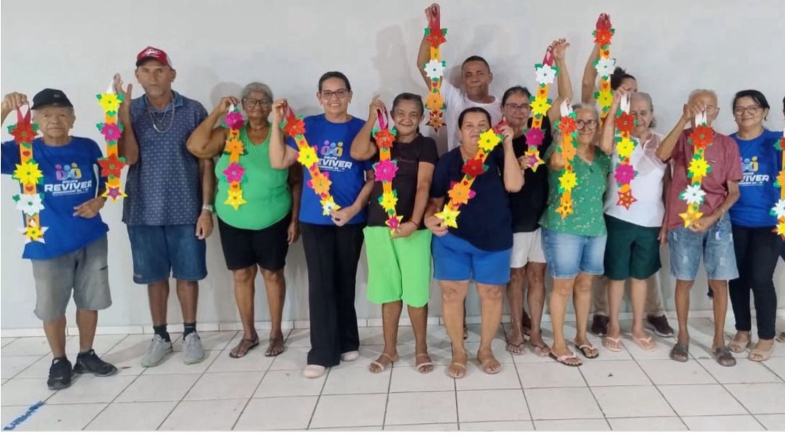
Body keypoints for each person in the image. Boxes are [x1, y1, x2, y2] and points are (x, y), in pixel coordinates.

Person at [1, 90, 117, 389]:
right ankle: (59, 360)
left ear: (73, 118)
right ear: (36, 120)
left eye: (62, 113)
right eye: (47, 115)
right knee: (52, 307)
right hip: (47, 244)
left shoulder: (88, 147)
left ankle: (86, 354)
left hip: (90, 238)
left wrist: (100, 201)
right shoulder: (24, 150)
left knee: (89, 301)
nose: (55, 120)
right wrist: (3, 110)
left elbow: (109, 179)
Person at [269, 71, 374, 379]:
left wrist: (354, 208)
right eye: (327, 93)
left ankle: (346, 341)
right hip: (315, 219)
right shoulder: (307, 127)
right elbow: (278, 161)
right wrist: (276, 122)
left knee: (345, 280)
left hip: (351, 218)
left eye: (340, 92)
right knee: (321, 285)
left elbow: (372, 178)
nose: (334, 98)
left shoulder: (360, 128)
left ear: (350, 95)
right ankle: (321, 352)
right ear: (319, 97)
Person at [186, 82, 302, 358]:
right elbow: (197, 146)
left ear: (272, 106)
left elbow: (297, 181)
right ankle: (249, 334)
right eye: (250, 102)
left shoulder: (283, 135)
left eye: (264, 102)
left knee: (272, 275)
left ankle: (276, 333)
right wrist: (218, 111)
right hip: (232, 219)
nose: (257, 107)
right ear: (243, 105)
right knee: (241, 275)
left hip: (274, 218)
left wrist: (295, 220)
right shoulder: (229, 134)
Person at [115, 47, 215, 367]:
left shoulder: (194, 109)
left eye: (160, 69)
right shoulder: (129, 111)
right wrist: (123, 117)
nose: (153, 76)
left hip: (187, 209)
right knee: (154, 277)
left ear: (172, 73)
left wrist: (206, 208)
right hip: (143, 209)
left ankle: (190, 334)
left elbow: (205, 164)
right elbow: (128, 158)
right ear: (137, 76)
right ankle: (160, 336)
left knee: (188, 276)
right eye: (145, 70)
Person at [581, 19, 674, 338]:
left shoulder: (658, 138)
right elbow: (588, 83)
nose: (631, 101)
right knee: (608, 268)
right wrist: (600, 43)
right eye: (625, 94)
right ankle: (603, 316)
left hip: (649, 216)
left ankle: (652, 314)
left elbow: (667, 180)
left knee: (645, 270)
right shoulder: (605, 127)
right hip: (611, 211)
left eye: (636, 95)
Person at [425, 107, 523, 378]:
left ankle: (485, 349)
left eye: (482, 124)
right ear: (459, 131)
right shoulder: (447, 161)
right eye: (469, 125)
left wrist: (508, 145)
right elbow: (435, 202)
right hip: (451, 240)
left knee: (491, 295)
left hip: (494, 239)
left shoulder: (501, 156)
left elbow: (514, 185)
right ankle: (459, 351)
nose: (476, 130)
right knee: (452, 295)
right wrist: (429, 219)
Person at [351, 93, 439, 373]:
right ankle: (390, 350)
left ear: (422, 117)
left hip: (413, 228)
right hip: (379, 226)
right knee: (389, 292)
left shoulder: (426, 145)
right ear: (391, 114)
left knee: (415, 292)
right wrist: (370, 118)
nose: (407, 119)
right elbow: (356, 153)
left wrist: (414, 222)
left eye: (414, 114)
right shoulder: (381, 140)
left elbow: (424, 185)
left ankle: (421, 349)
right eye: (400, 113)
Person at [539, 39, 613, 367]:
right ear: (569, 125)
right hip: (563, 229)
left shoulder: (602, 157)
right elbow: (565, 101)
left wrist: (601, 50)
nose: (585, 127)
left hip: (596, 229)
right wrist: (560, 62)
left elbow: (607, 123)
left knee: (585, 285)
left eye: (591, 123)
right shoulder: (559, 154)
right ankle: (557, 342)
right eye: (578, 122)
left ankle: (581, 335)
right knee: (563, 286)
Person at [655, 89, 742, 367]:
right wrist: (683, 120)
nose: (703, 110)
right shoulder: (681, 140)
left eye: (709, 107)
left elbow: (733, 192)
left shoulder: (727, 145)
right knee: (684, 279)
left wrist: (712, 217)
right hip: (684, 220)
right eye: (697, 106)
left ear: (717, 113)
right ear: (687, 108)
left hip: (717, 221)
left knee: (719, 281)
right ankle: (683, 336)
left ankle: (719, 341)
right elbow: (661, 154)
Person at [598, 90, 670, 353]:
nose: (638, 118)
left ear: (652, 114)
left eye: (643, 112)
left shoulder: (663, 141)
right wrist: (615, 105)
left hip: (651, 221)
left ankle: (638, 326)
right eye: (632, 113)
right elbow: (603, 148)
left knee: (641, 277)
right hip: (618, 217)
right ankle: (614, 325)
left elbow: (669, 185)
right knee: (616, 276)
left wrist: (666, 223)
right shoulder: (617, 139)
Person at [725, 90, 783, 362]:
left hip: (769, 223)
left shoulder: (778, 141)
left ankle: (767, 336)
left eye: (752, 108)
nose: (746, 113)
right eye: (739, 108)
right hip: (733, 222)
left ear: (765, 111)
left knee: (760, 279)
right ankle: (742, 330)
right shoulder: (726, 144)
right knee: (737, 279)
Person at [501, 85, 553, 356]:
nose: (518, 111)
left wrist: (557, 63)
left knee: (537, 275)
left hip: (542, 217)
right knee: (516, 275)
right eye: (513, 106)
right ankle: (516, 330)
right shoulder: (496, 138)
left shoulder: (541, 131)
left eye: (524, 106)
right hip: (514, 219)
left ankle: (535, 332)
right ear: (503, 109)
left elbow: (563, 101)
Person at [416, 3, 503, 152]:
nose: (474, 78)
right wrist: (432, 28)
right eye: (468, 75)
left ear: (490, 77)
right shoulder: (454, 98)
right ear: (463, 80)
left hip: (491, 171)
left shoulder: (504, 108)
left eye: (480, 73)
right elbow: (423, 64)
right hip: (458, 170)